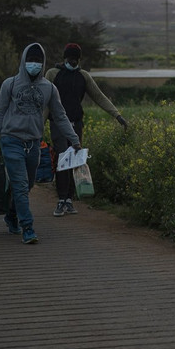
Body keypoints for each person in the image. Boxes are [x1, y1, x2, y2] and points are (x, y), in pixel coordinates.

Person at [0, 42, 80, 245]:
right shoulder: (10, 84)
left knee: (27, 184)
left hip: (34, 143)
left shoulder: (49, 88)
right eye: (30, 60)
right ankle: (28, 228)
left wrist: (74, 140)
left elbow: (60, 117)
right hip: (11, 140)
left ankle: (12, 214)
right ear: (24, 61)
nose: (34, 64)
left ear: (43, 64)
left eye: (38, 61)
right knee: (21, 184)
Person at [45, 42, 128, 217]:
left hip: (76, 123)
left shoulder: (83, 76)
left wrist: (117, 115)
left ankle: (69, 199)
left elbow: (99, 96)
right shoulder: (53, 74)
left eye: (75, 59)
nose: (72, 61)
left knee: (74, 160)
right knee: (62, 159)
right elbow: (45, 101)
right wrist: (38, 124)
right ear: (64, 58)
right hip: (58, 124)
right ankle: (61, 199)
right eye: (70, 58)